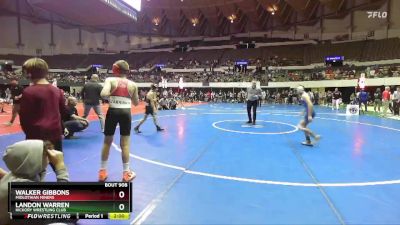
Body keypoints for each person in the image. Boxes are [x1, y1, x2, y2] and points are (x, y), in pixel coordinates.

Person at [0, 140, 69, 225]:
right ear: (33, 160)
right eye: (46, 156)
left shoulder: (15, 175)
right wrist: (60, 165)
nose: (49, 159)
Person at [99, 60, 139, 182]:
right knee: (125, 144)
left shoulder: (110, 80)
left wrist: (113, 95)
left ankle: (102, 172)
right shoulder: (133, 84)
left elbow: (103, 94)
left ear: (115, 69)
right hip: (126, 113)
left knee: (107, 142)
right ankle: (126, 173)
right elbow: (136, 103)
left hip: (113, 112)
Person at [19, 58, 68, 152]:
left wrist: (28, 134)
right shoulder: (57, 91)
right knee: (57, 162)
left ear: (29, 74)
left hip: (35, 134)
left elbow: (24, 117)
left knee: (36, 165)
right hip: (55, 133)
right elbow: (63, 112)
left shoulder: (28, 91)